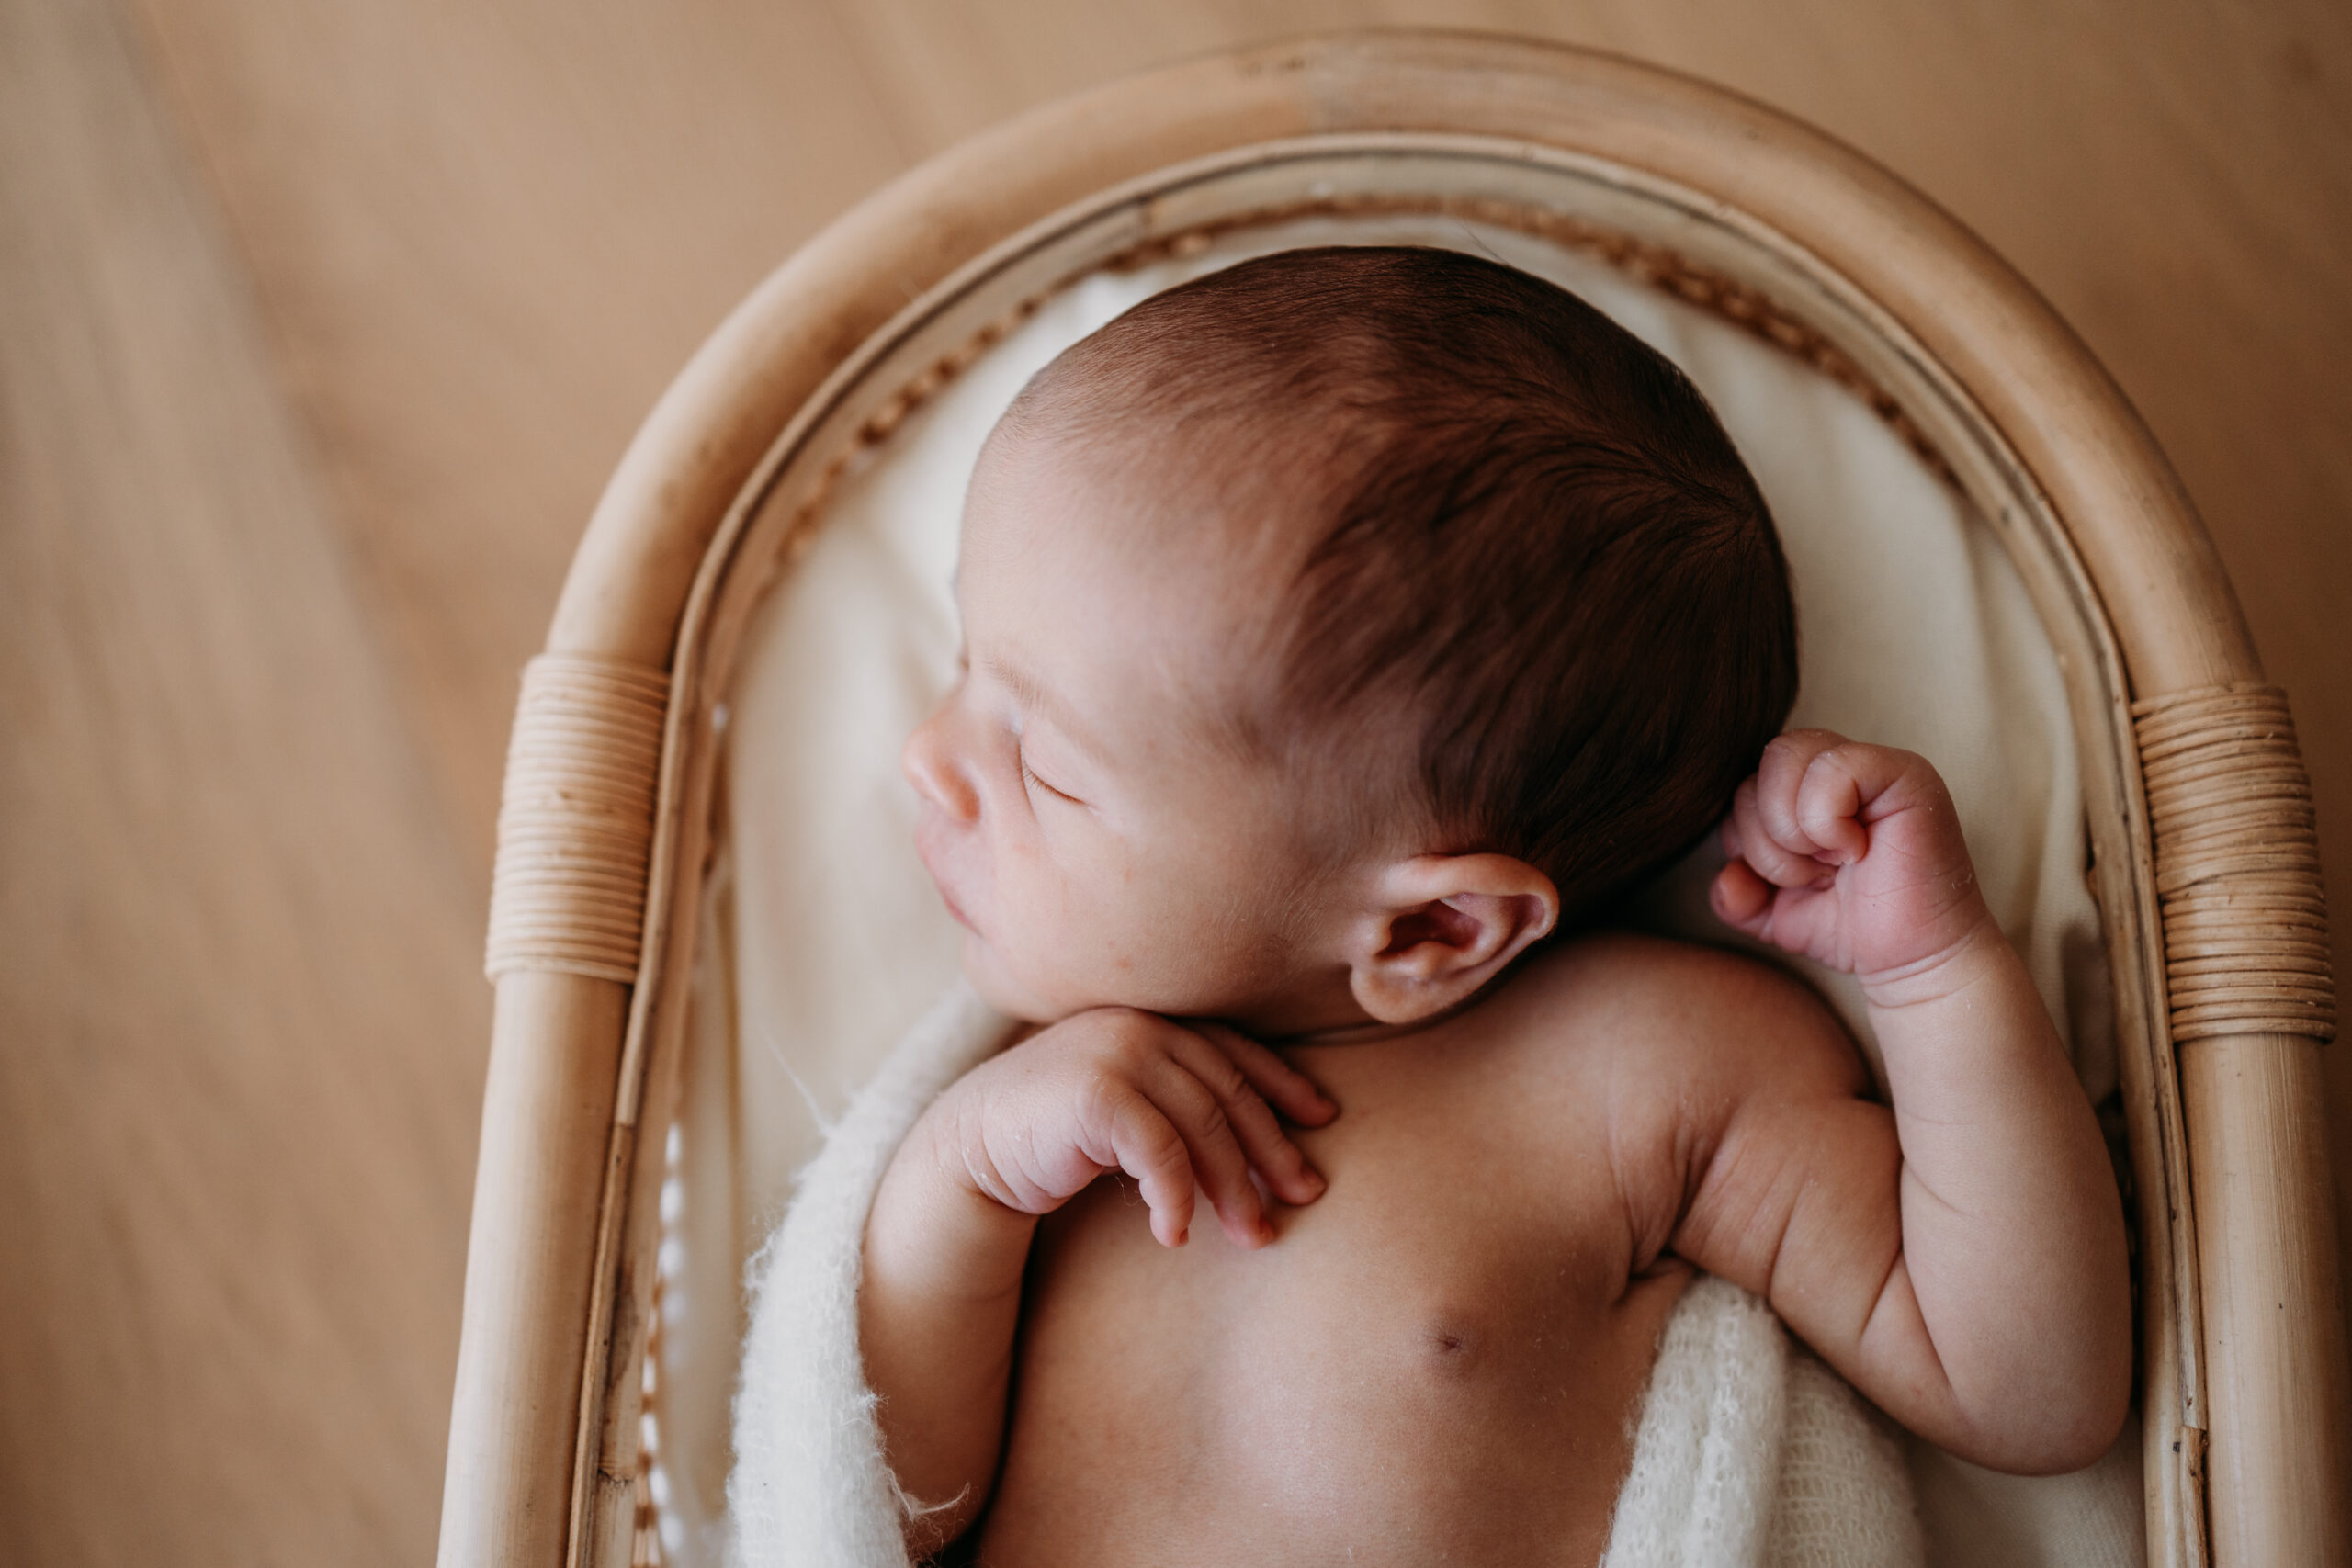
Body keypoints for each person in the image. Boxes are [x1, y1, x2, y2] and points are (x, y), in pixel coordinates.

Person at [854, 246, 2130, 1564]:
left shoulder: (1646, 1071)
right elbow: (883, 1498)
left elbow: (2029, 1389)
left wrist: (1932, 972)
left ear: (1433, 931)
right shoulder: (1045, 1108)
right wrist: (959, 1184)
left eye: (1045, 766)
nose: (928, 760)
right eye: (965, 660)